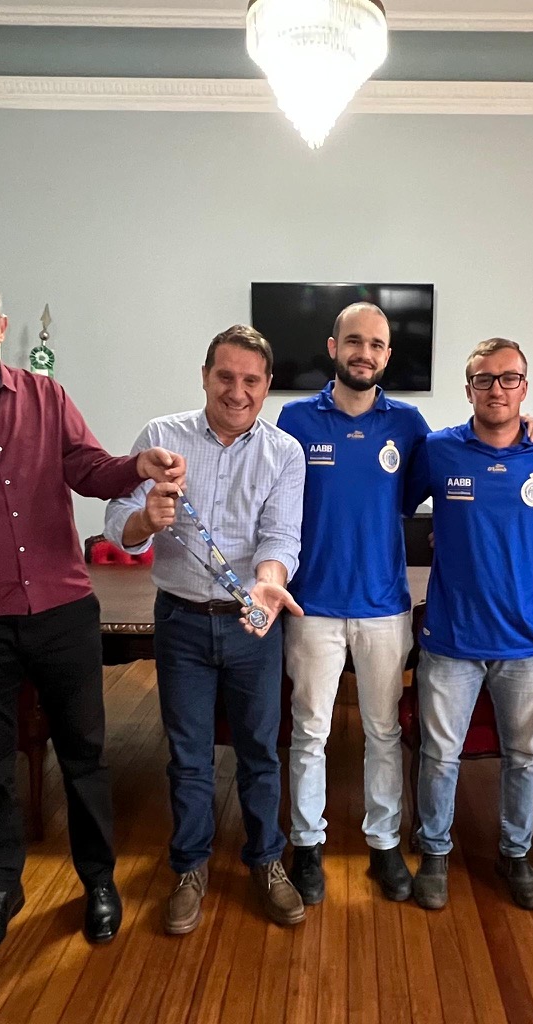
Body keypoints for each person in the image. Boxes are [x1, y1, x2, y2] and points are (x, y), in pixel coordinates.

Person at [0, 266, 185, 956]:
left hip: (62, 608)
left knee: (85, 756)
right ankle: (0, 885)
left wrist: (136, 466)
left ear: (2, 324)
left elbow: (89, 469)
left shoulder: (47, 397)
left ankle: (98, 880)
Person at [105, 324, 307, 935]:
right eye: (225, 376)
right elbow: (116, 521)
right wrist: (146, 520)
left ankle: (266, 861)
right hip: (181, 622)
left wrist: (268, 582)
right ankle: (190, 867)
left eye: (251, 380)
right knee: (189, 757)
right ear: (204, 376)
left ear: (267, 386)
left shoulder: (284, 453)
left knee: (260, 753)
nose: (237, 391)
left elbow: (281, 536)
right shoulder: (161, 436)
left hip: (253, 626)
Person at [274, 302, 430, 905]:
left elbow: (416, 494)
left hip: (384, 607)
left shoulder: (409, 424)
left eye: (377, 344)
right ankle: (306, 845)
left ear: (387, 355)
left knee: (384, 732)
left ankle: (384, 844)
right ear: (333, 347)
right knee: (310, 732)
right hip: (311, 606)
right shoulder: (294, 419)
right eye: (354, 341)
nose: (365, 353)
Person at [403, 338, 533, 912]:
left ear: (525, 387)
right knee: (440, 756)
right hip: (452, 638)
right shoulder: (439, 449)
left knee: (525, 757)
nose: (497, 388)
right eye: (484, 379)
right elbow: (392, 507)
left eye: (509, 378)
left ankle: (515, 855)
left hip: (527, 640)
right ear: (468, 388)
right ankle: (435, 853)